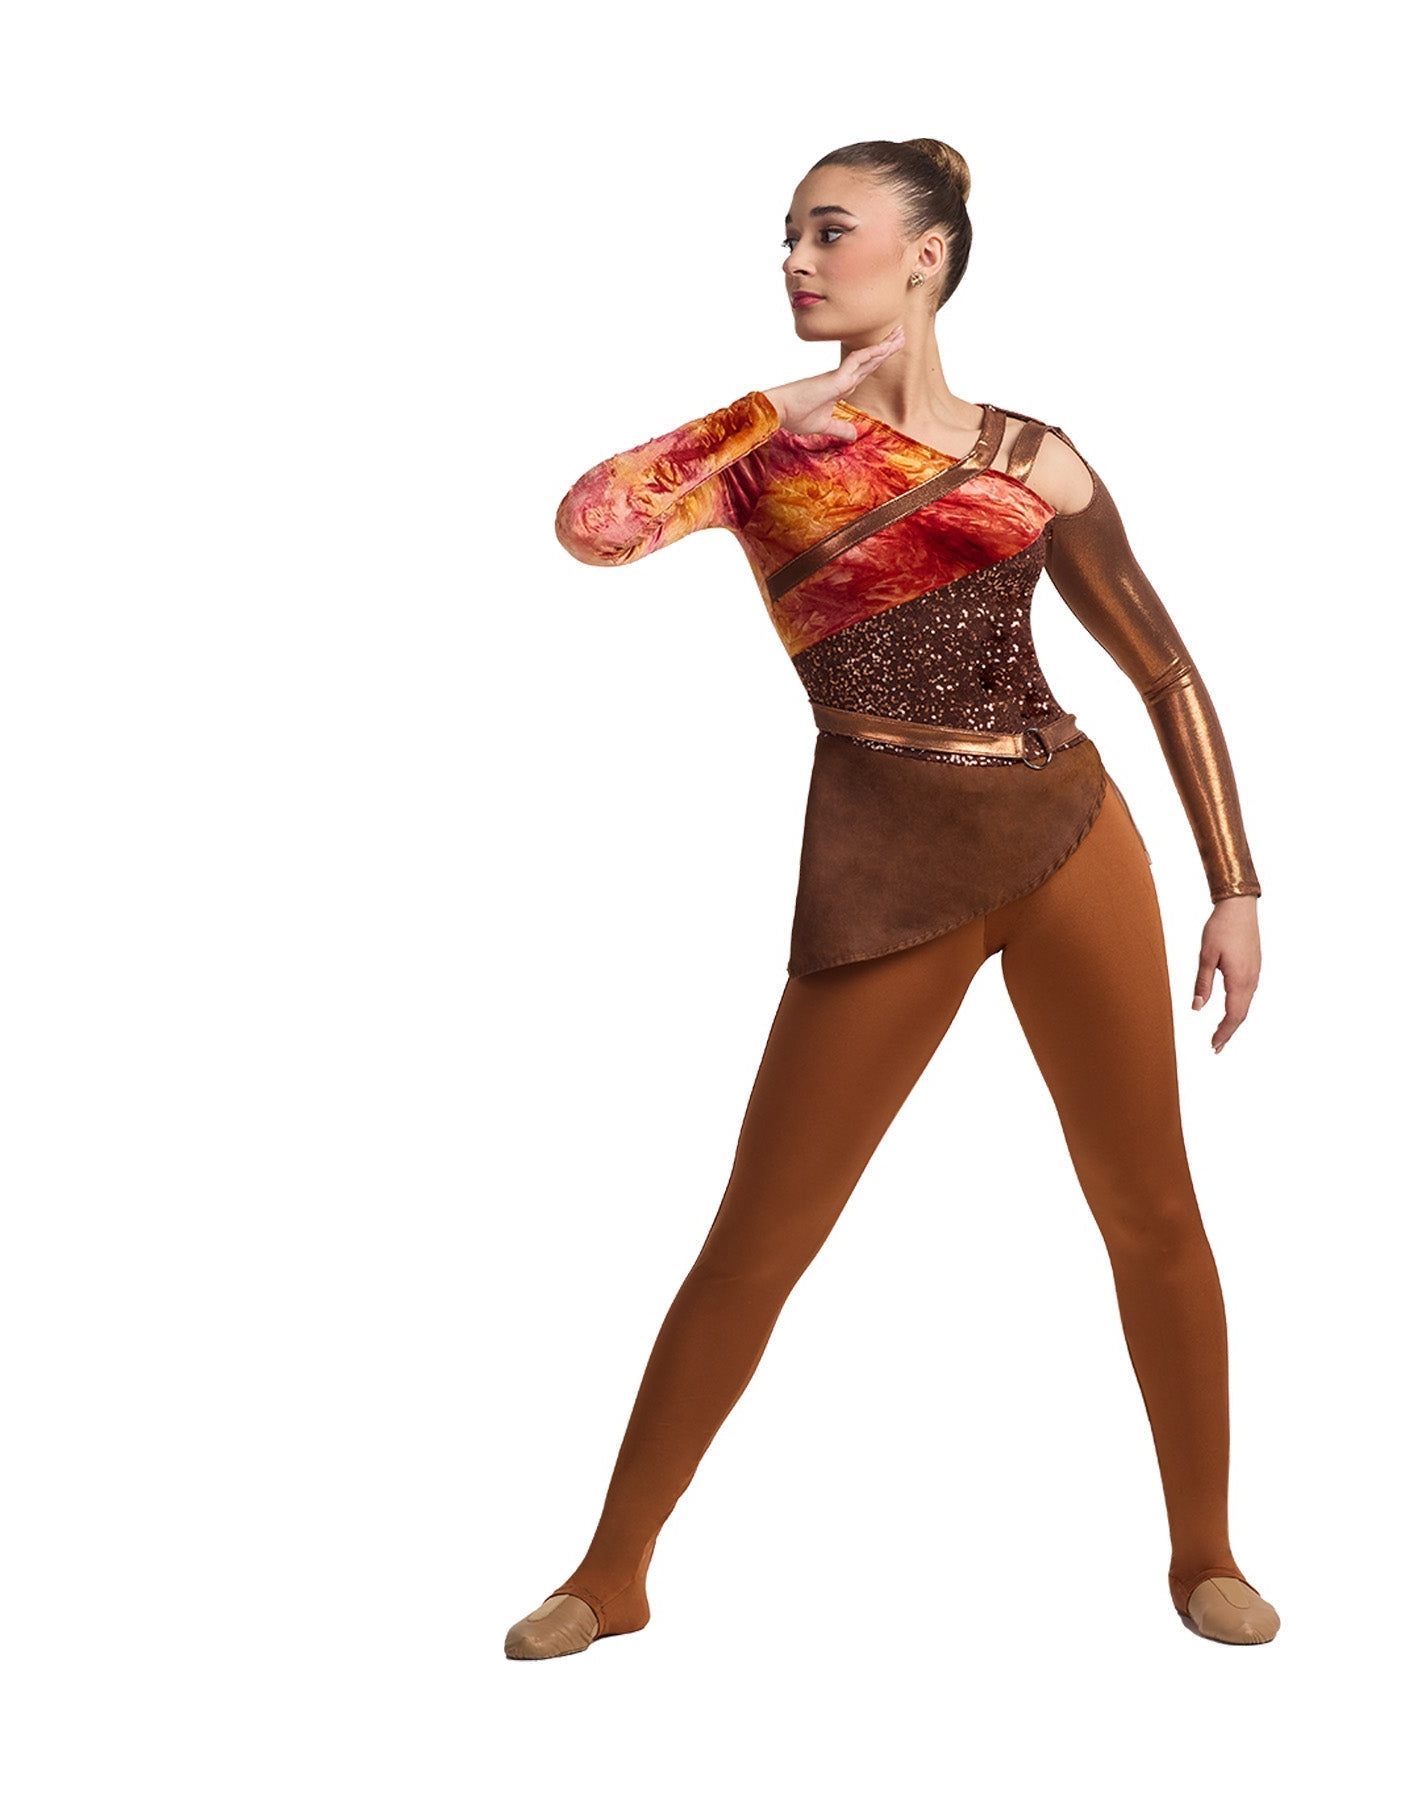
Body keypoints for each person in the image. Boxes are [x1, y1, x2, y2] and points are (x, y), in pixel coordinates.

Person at [506, 137, 1279, 1658]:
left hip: (1068, 830)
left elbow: (1165, 668)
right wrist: (771, 407)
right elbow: (593, 521)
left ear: (926, 257)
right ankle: (610, 1572)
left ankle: (1207, 1553)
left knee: (1152, 1210)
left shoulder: (1034, 458)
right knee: (762, 1234)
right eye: (788, 238)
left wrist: (1234, 886)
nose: (798, 261)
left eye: (830, 232)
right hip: (884, 862)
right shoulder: (763, 455)